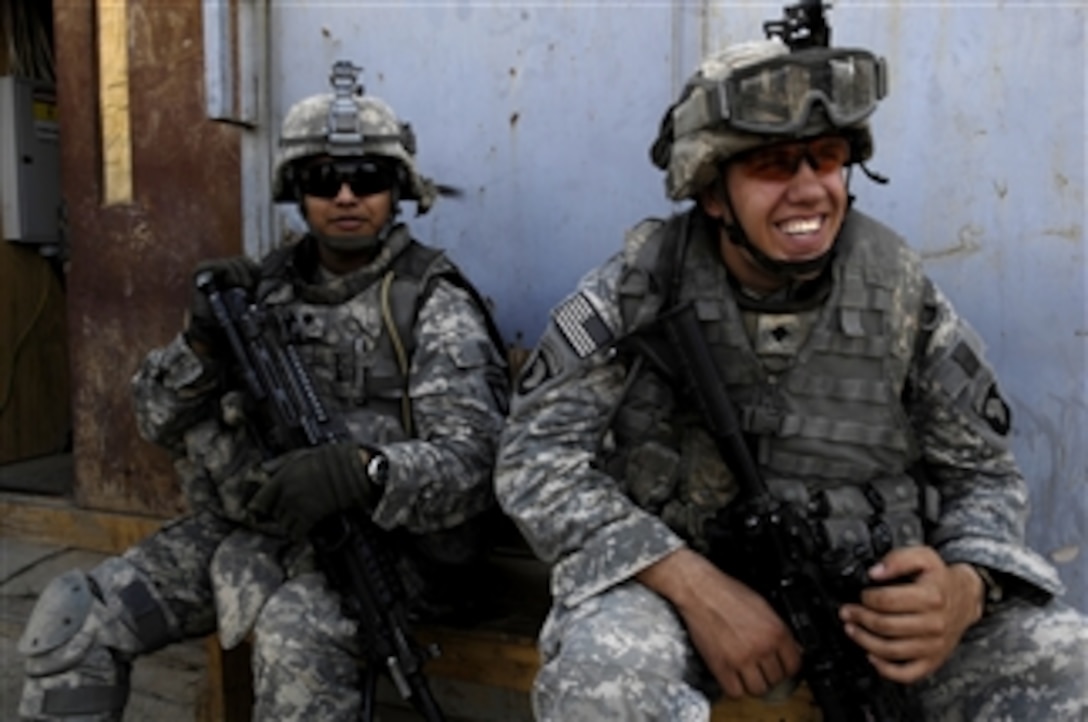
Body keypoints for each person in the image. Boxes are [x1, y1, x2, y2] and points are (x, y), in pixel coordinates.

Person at [493, 14, 1088, 722]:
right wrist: (691, 583)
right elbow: (534, 460)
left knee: (1064, 662)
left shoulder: (898, 290)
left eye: (827, 157)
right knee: (604, 681)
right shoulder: (639, 286)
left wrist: (966, 585)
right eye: (774, 166)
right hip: (683, 592)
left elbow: (984, 474)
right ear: (712, 191)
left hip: (871, 602)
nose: (810, 189)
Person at [18, 60, 510, 721]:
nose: (343, 195)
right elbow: (154, 418)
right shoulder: (257, 292)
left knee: (293, 636)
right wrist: (201, 345)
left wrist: (365, 473)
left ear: (397, 191)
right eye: (320, 179)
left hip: (384, 552)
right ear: (294, 191)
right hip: (253, 530)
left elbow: (476, 465)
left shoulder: (431, 304)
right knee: (75, 623)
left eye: (366, 179)